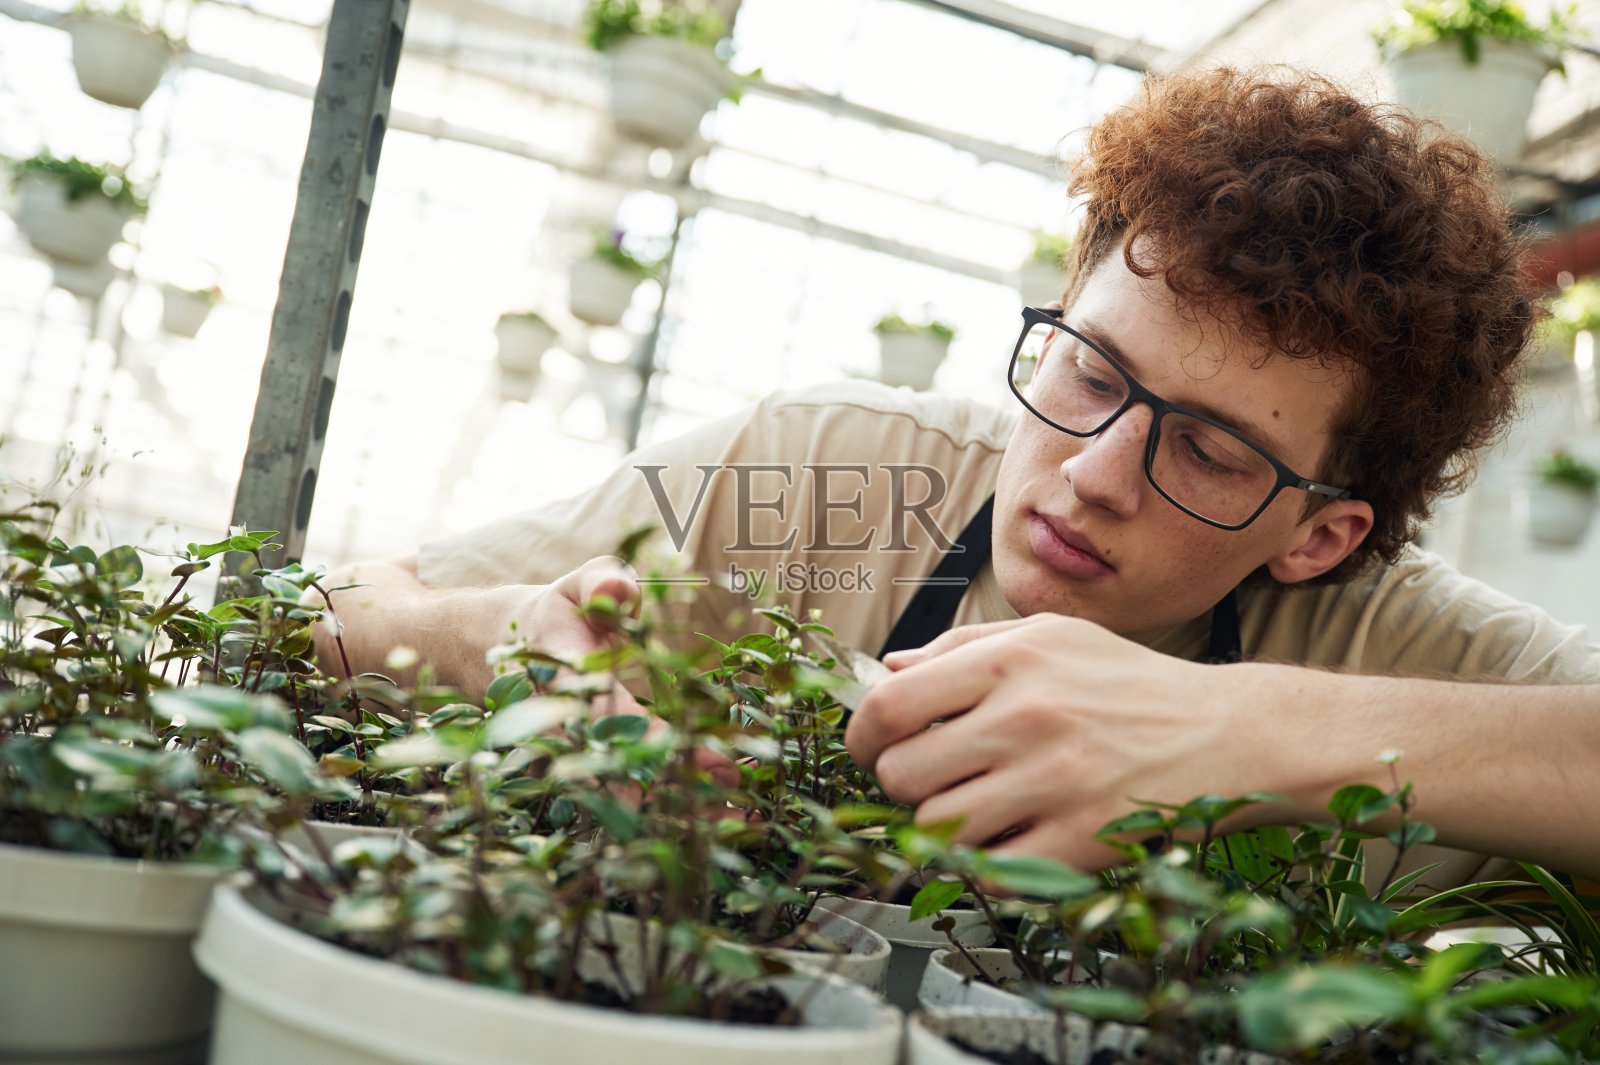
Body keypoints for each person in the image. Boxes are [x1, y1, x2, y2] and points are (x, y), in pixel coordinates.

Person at [313, 67, 1600, 885]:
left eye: (1209, 449)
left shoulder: (1401, 649)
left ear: (1318, 538)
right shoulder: (825, 466)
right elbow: (336, 614)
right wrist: (496, 638)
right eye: (1091, 372)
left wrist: (1252, 731)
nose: (1094, 474)